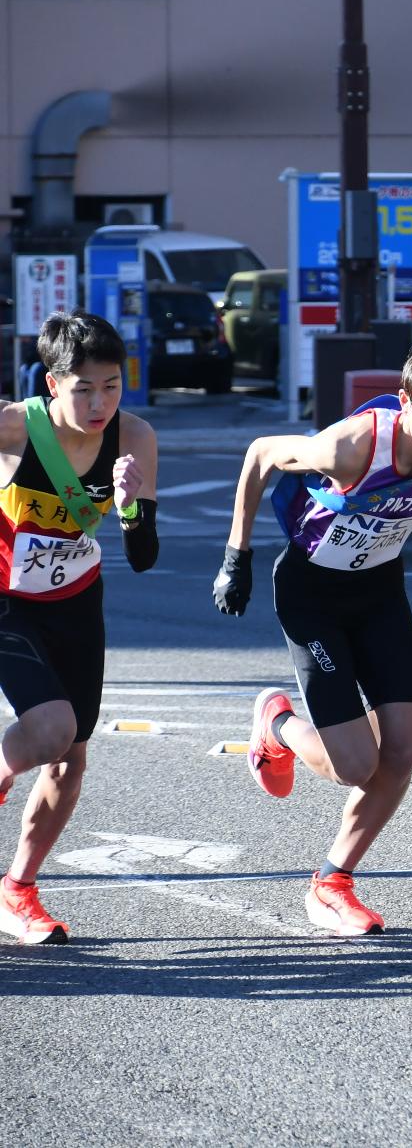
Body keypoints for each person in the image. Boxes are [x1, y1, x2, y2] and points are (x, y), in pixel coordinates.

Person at [212, 340, 412, 936]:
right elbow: (259, 454)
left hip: (379, 592)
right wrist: (235, 556)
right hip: (311, 594)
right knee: (355, 766)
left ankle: (333, 881)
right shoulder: (350, 445)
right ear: (405, 403)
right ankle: (275, 722)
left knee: (402, 752)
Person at [0, 315, 159, 945]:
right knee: (50, 727)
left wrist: (127, 506)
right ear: (51, 384)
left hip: (74, 602)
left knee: (70, 759)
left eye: (112, 387)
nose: (99, 404)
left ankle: (17, 890)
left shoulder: (135, 437)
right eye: (83, 390)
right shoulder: (14, 427)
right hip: (5, 599)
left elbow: (144, 557)